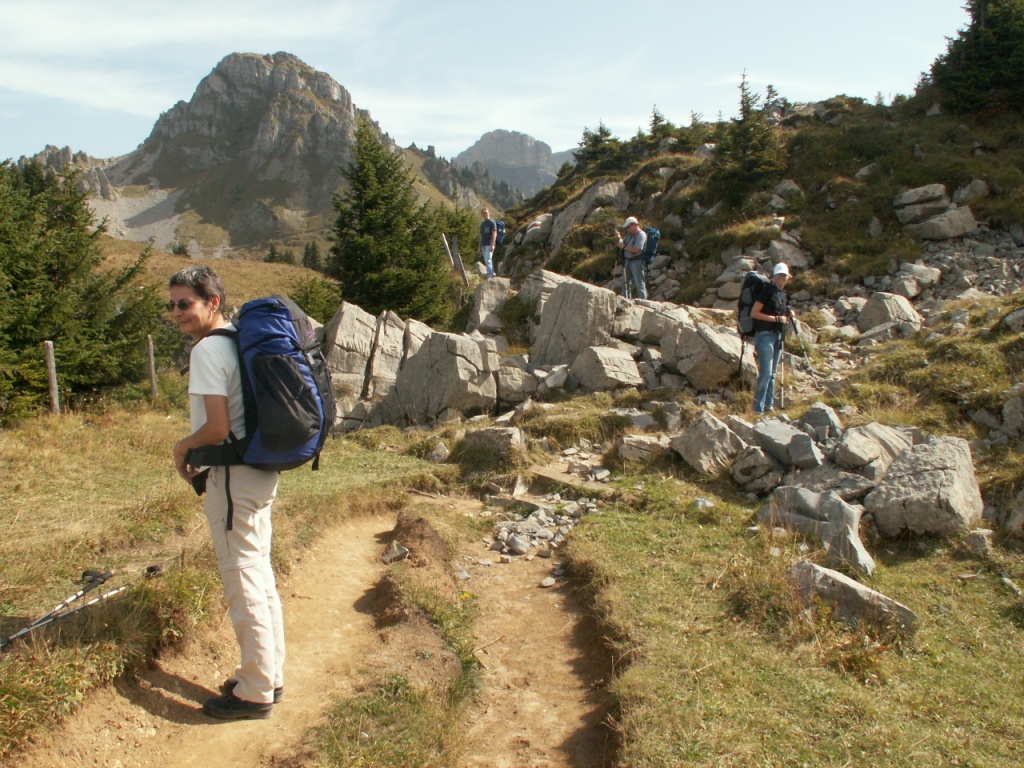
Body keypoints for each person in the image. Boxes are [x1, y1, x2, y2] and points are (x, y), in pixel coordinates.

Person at [169, 265, 285, 721]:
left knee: (242, 579)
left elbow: (217, 428)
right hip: (259, 471)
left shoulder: (207, 351)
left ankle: (255, 691)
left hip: (233, 477)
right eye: (172, 305)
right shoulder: (237, 340)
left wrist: (183, 446)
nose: (177, 312)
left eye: (185, 303)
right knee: (260, 573)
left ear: (212, 302)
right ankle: (268, 676)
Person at [750, 262, 794, 415]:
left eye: (784, 275)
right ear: (774, 276)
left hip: (778, 336)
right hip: (765, 336)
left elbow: (780, 313)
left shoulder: (782, 293)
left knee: (773, 374)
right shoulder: (767, 291)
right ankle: (757, 410)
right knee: (766, 373)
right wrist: (776, 319)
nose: (782, 278)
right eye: (779, 275)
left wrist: (788, 314)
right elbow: (754, 313)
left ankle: (768, 407)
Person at [616, 216, 648, 299]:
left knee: (639, 284)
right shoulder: (629, 234)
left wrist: (623, 247)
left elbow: (636, 249)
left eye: (628, 227)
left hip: (637, 261)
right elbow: (624, 243)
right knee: (625, 283)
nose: (627, 229)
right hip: (628, 261)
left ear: (634, 225)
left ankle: (643, 301)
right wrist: (619, 237)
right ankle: (626, 300)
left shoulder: (641, 235)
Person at [478, 207, 497, 279]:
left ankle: (490, 276)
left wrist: (492, 245)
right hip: (483, 245)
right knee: (487, 260)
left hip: (489, 244)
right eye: (483, 213)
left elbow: (494, 234)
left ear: (489, 213)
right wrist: (479, 247)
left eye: (486, 213)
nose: (485, 214)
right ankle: (490, 274)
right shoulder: (482, 224)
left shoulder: (492, 222)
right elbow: (481, 236)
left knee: (488, 260)